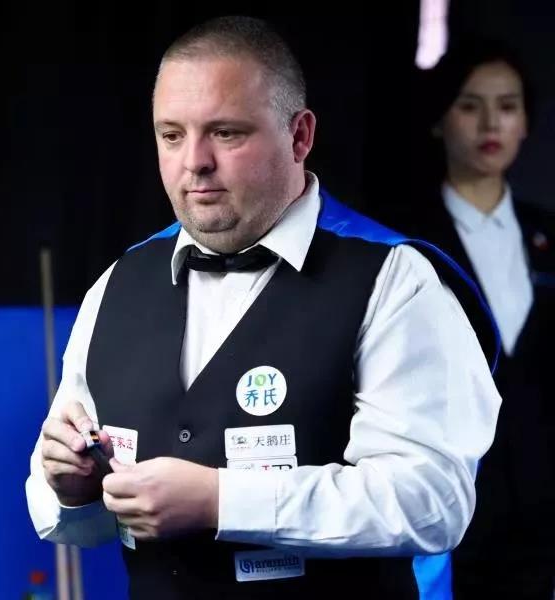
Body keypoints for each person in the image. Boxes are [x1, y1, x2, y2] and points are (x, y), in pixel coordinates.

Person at [25, 16, 501, 599]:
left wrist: (223, 501)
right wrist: (72, 490)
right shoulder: (117, 285)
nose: (194, 161)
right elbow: (68, 515)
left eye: (225, 133)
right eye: (171, 135)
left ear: (300, 136)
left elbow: (433, 503)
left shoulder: (396, 279)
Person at [386, 38, 555, 599]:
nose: (490, 123)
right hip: (452, 508)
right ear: (440, 119)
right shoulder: (402, 241)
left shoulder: (548, 235)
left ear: (526, 122)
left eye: (507, 106)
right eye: (469, 105)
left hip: (542, 513)